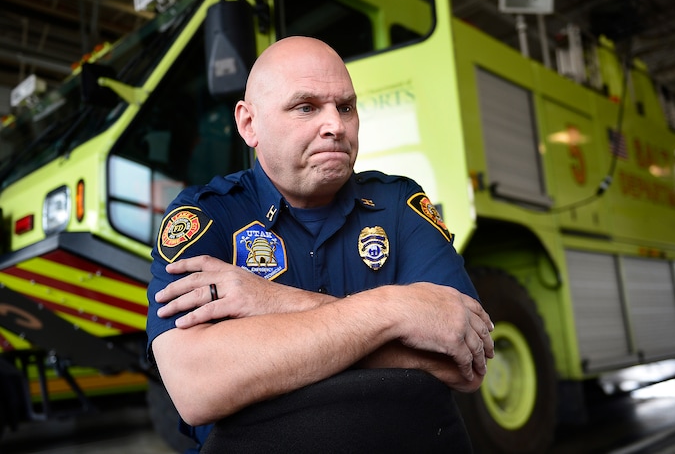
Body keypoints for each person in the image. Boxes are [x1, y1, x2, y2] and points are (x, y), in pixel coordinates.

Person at [146, 36, 494, 453]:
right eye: (306, 107)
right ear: (249, 124)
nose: (336, 125)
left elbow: (464, 361)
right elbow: (197, 386)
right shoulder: (205, 219)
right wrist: (398, 311)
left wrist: (272, 301)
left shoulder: (400, 205)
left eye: (345, 106)